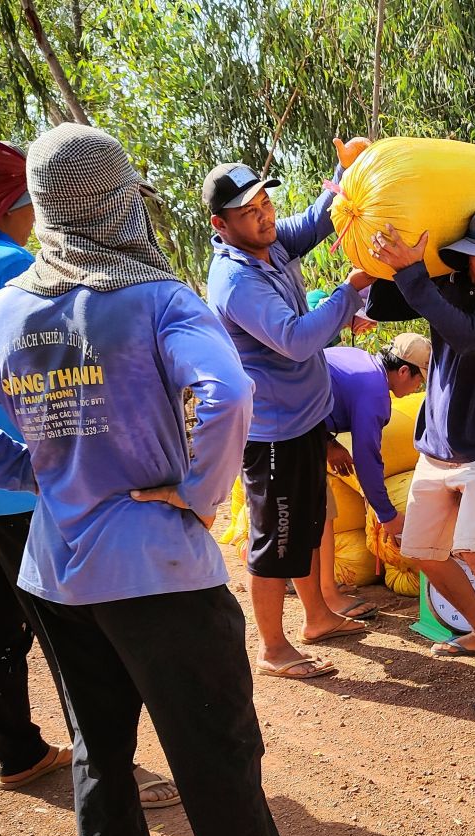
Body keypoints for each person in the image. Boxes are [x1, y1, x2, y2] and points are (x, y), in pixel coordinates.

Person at [0, 123, 287, 836]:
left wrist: (25, 471)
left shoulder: (5, 309)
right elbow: (230, 391)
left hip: (58, 574)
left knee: (99, 760)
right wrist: (201, 494)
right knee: (217, 766)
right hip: (161, 573)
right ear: (119, 202)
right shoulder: (158, 298)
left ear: (44, 208)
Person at [0, 133, 179, 809]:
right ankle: (111, 775)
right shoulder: (5, 264)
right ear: (14, 200)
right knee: (73, 634)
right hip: (28, 474)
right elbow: (61, 351)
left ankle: (18, 752)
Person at [202, 138, 377, 680]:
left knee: (309, 521)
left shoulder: (271, 244)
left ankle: (318, 618)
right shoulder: (236, 279)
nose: (264, 218)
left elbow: (318, 221)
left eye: (266, 205)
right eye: (249, 213)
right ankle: (273, 648)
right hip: (272, 431)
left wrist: (343, 172)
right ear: (220, 224)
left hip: (302, 419)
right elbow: (297, 340)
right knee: (276, 537)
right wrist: (347, 294)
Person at [364, 205, 475, 715]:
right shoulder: (449, 280)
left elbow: (467, 333)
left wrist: (416, 275)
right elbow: (385, 304)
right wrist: (385, 261)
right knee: (421, 550)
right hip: (437, 444)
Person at [316, 332, 431, 619]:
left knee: (319, 514)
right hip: (282, 434)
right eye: (419, 380)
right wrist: (388, 515)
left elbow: (313, 395)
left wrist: (327, 442)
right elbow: (368, 459)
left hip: (283, 424)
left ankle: (316, 588)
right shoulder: (374, 392)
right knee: (318, 515)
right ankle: (327, 597)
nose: (419, 387)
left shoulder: (359, 360)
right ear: (404, 370)